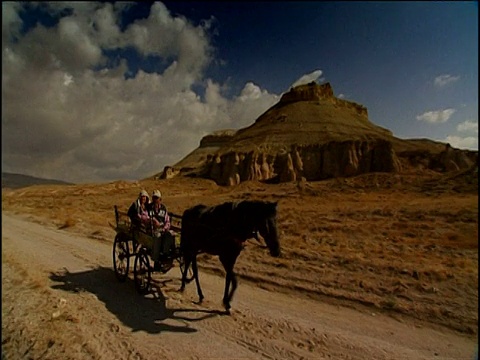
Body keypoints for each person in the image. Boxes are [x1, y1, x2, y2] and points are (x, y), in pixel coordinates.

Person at [147, 189, 175, 271]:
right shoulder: (149, 207)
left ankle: (165, 255)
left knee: (170, 235)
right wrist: (152, 220)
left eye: (157, 198)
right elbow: (144, 216)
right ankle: (156, 258)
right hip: (152, 230)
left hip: (163, 229)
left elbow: (167, 220)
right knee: (157, 236)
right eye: (154, 198)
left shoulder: (163, 208)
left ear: (160, 199)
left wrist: (165, 228)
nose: (155, 200)